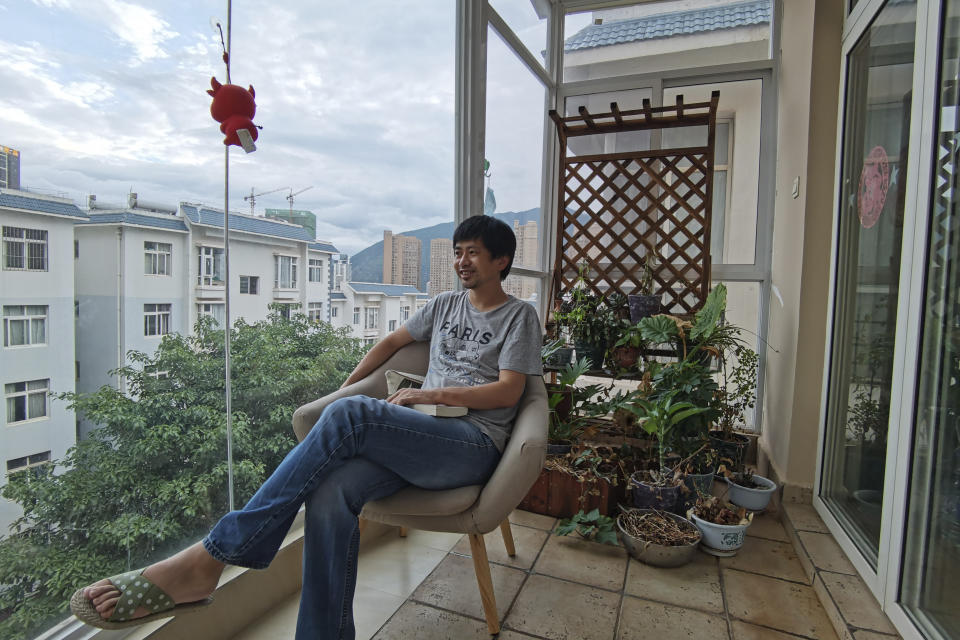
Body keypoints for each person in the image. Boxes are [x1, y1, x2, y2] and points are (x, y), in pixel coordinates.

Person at [72, 215, 543, 639]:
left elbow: (508, 391)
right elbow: (391, 342)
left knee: (350, 419)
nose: (462, 261)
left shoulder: (518, 316)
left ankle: (210, 557)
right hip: (422, 435)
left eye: (473, 252)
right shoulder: (443, 305)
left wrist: (431, 393)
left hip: (471, 444)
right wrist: (346, 389)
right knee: (331, 489)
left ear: (501, 260)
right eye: (458, 251)